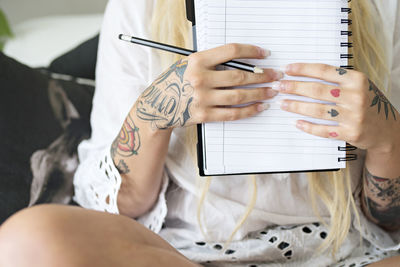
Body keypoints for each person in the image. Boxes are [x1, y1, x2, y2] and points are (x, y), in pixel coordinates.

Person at [0, 0, 399, 266]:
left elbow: (389, 221)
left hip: (344, 251)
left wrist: (387, 139)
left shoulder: (384, 9)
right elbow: (119, 204)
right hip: (184, 255)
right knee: (28, 240)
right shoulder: (142, 6)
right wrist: (153, 114)